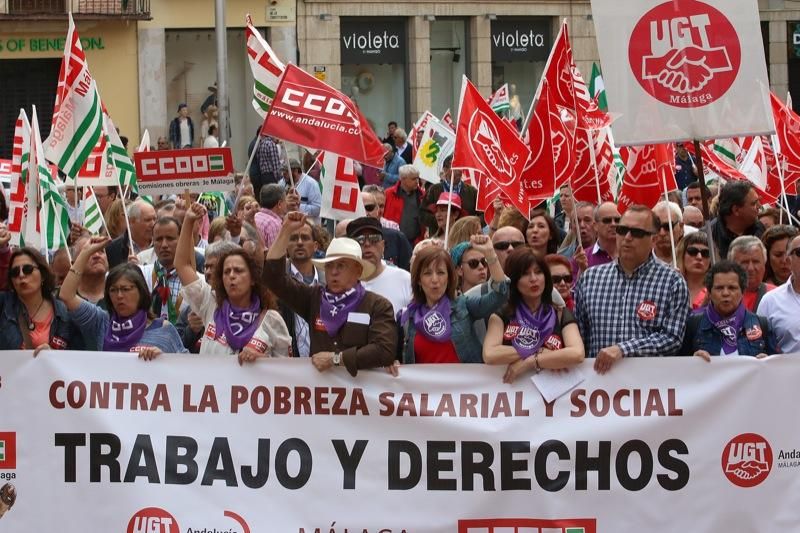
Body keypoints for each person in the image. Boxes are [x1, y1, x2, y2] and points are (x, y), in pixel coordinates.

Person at [264, 212, 397, 375]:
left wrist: (337, 359)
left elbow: (384, 350)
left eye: (341, 265)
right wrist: (285, 231)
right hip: (319, 395)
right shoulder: (313, 298)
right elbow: (273, 278)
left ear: (358, 270)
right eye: (329, 266)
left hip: (359, 396)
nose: (333, 272)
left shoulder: (377, 305)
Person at [574, 205, 689, 373]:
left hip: (647, 388)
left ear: (654, 239)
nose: (627, 237)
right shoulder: (590, 278)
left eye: (637, 233)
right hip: (599, 386)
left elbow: (672, 339)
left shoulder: (673, 282)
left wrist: (623, 349)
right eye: (622, 230)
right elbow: (579, 336)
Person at [175, 203, 290, 360]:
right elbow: (182, 265)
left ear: (253, 280)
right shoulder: (210, 303)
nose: (231, 276)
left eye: (239, 270)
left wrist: (263, 361)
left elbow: (287, 372)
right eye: (226, 271)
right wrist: (188, 221)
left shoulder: (271, 320)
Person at [59, 237, 186, 357]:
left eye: (126, 289)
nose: (119, 296)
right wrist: (85, 252)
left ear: (141, 291)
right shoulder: (102, 322)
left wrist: (165, 357)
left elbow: (185, 367)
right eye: (113, 290)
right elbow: (66, 295)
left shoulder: (164, 329)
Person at [397, 234, 508, 364]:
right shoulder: (408, 317)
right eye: (427, 273)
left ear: (449, 278)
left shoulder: (464, 305)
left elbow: (500, 294)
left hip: (467, 384)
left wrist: (490, 254)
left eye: (441, 273)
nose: (435, 280)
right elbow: (400, 358)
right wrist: (395, 362)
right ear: (419, 280)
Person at [483, 248, 584, 382]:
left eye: (538, 272)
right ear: (514, 280)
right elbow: (490, 354)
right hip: (514, 394)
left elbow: (577, 353)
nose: (533, 279)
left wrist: (531, 361)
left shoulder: (561, 313)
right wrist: (541, 351)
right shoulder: (501, 315)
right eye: (525, 274)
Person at [681, 261, 778, 359]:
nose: (725, 293)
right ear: (709, 292)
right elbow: (679, 368)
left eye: (732, 288)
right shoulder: (693, 324)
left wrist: (767, 363)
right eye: (719, 288)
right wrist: (692, 361)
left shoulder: (761, 325)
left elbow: (776, 368)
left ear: (743, 292)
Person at [0, 246, 82, 351]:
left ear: (43, 274)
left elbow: (76, 355)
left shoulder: (64, 311)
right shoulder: (3, 305)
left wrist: (52, 354)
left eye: (27, 269)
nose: (21, 275)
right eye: (15, 272)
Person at [278, 220, 324, 358]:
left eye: (304, 238)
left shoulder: (328, 283)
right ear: (286, 246)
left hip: (322, 367)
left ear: (315, 246)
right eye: (293, 238)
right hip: (288, 366)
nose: (299, 242)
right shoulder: (277, 284)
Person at [347, 217, 411, 314]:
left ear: (383, 245)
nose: (367, 244)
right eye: (360, 240)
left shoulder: (405, 280)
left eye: (374, 239)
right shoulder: (341, 282)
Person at [757, 234, 800, 353]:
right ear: (788, 260)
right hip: (787, 371)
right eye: (799, 252)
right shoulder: (770, 301)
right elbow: (757, 345)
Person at [422, 155, 479, 234]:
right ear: (445, 170)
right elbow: (422, 213)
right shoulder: (433, 190)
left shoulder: (472, 191)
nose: (458, 171)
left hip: (465, 237)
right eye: (454, 168)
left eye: (460, 167)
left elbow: (482, 214)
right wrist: (442, 222)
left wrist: (470, 225)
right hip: (439, 237)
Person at [710, 181, 764, 259]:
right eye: (754, 204)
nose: (759, 206)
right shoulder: (709, 235)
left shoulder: (760, 229)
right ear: (736, 210)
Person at [728, 236, 774, 311]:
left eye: (756, 262)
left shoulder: (778, 296)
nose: (750, 268)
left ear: (764, 264)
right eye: (744, 262)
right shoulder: (716, 295)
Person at [384, 165, 426, 245]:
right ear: (403, 179)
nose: (417, 181)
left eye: (418, 178)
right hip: (392, 240)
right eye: (413, 179)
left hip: (414, 242)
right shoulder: (389, 194)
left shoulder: (422, 195)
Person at [280, 158, 322, 225]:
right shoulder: (282, 183)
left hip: (309, 225)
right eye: (283, 172)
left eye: (286, 172)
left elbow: (318, 209)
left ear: (296, 171)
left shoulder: (311, 184)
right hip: (289, 225)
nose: (283, 175)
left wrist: (298, 206)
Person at [676, 231, 711, 310]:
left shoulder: (716, 289)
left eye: (705, 253)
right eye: (692, 251)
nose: (699, 257)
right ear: (682, 255)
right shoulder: (672, 286)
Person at [254, 184, 287, 249]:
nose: (286, 203)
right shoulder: (273, 224)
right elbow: (276, 255)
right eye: (285, 200)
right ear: (279, 204)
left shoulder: (255, 216)